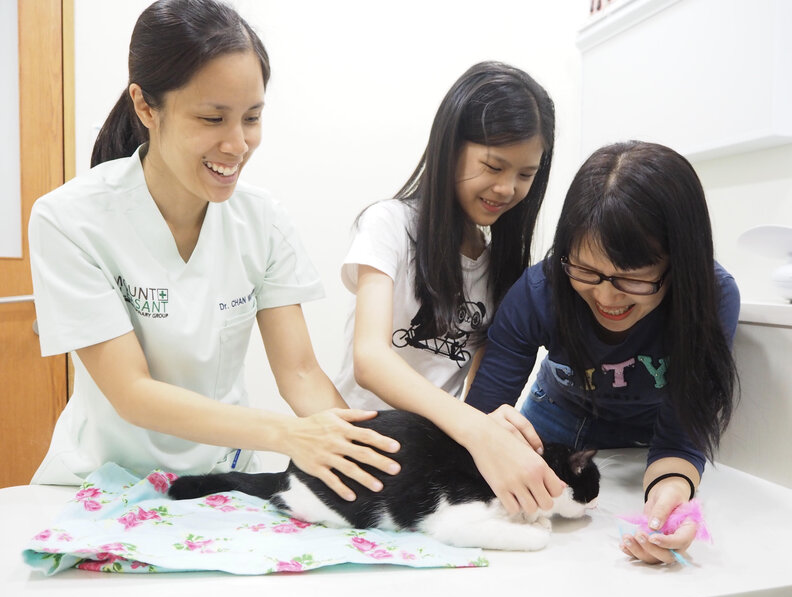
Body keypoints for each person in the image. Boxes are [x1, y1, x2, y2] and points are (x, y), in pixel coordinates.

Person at [27, 0, 401, 500]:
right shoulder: (70, 219)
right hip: (99, 483)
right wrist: (287, 435)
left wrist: (364, 456)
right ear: (145, 106)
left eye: (251, 117)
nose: (237, 144)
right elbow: (131, 392)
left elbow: (301, 373)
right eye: (211, 118)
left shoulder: (262, 220)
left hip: (222, 484)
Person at [465, 140, 740, 565]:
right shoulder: (541, 290)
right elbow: (484, 414)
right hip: (554, 426)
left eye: (631, 278)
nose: (607, 297)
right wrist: (494, 442)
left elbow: (680, 439)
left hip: (652, 437)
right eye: (586, 271)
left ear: (680, 262)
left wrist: (671, 505)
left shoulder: (712, 296)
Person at [334, 61, 567, 516]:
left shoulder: (502, 264)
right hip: (356, 453)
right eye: (493, 165)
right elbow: (371, 360)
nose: (507, 188)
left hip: (429, 464)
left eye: (525, 174)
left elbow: (480, 383)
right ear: (450, 146)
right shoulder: (390, 225)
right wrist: (475, 429)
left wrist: (487, 430)